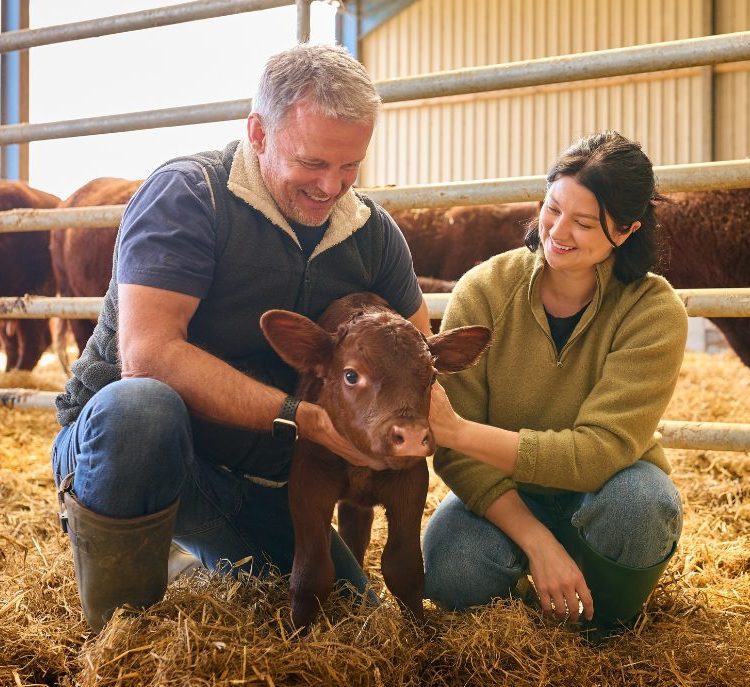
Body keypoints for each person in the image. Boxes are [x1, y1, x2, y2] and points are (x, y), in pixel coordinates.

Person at [51, 44, 431, 634]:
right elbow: (148, 355)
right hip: (132, 449)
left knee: (348, 613)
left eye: (350, 165)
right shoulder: (188, 196)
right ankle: (119, 631)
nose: (332, 186)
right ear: (258, 132)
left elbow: (417, 359)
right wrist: (300, 419)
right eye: (312, 163)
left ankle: (190, 549)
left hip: (256, 480)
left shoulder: (373, 234)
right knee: (142, 409)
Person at [423, 131, 688, 640]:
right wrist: (538, 541)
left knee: (643, 508)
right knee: (450, 571)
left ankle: (601, 623)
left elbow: (598, 452)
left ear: (627, 230)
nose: (558, 231)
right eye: (552, 208)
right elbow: (457, 455)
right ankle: (543, 573)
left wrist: (456, 432)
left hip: (606, 489)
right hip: (508, 495)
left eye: (584, 223)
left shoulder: (653, 311)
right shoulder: (484, 289)